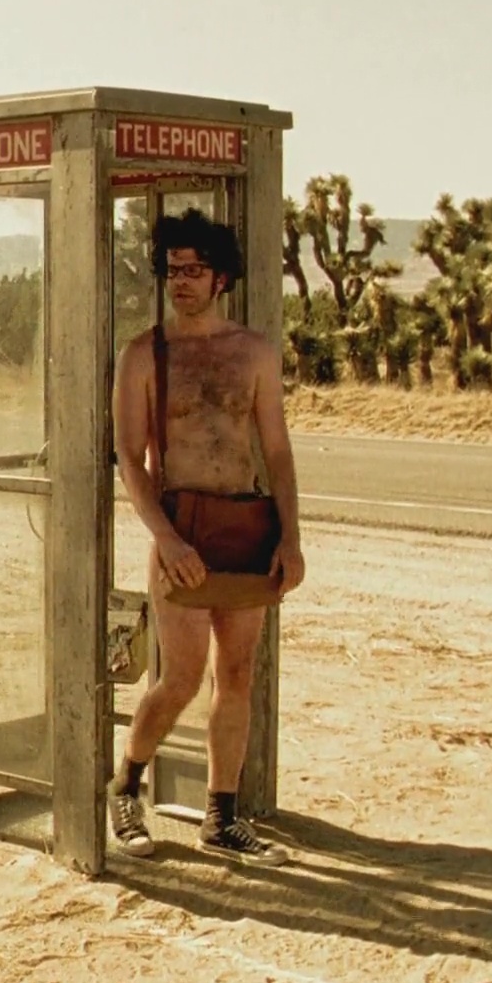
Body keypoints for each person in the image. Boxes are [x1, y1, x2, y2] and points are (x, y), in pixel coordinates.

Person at [108, 208, 306, 867]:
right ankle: (126, 787)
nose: (181, 281)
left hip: (243, 527)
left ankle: (222, 816)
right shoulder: (145, 354)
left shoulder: (253, 352)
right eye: (173, 269)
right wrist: (166, 540)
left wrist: (290, 538)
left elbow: (277, 451)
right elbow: (129, 457)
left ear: (222, 277)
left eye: (195, 269)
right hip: (181, 529)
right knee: (181, 678)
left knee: (237, 673)